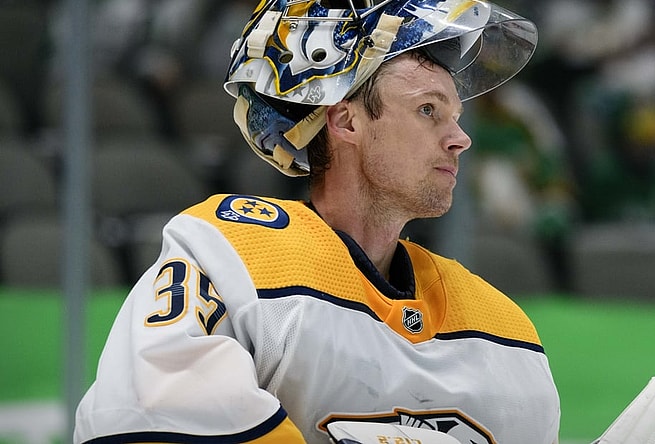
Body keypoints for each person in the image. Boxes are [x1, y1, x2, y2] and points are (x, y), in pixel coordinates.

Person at [74, 1, 560, 443]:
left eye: (455, 115)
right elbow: (146, 418)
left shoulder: (501, 327)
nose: (459, 139)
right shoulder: (230, 256)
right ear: (345, 122)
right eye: (427, 110)